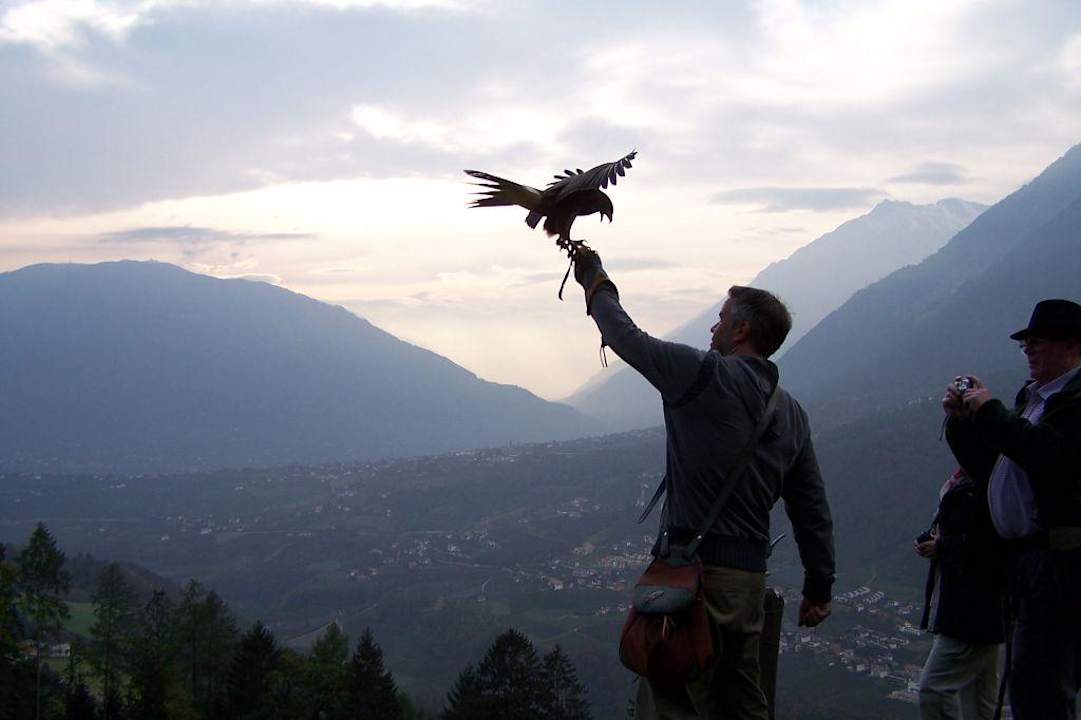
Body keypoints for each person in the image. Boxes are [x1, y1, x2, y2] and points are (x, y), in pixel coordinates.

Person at [573, 248, 835, 720]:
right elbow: (810, 507)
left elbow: (626, 339)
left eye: (720, 320)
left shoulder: (706, 376)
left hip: (693, 583)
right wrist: (820, 587)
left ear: (742, 331)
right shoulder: (792, 413)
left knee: (672, 700)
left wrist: (595, 282)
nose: (712, 329)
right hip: (747, 586)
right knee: (740, 703)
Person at [942, 298, 1081, 720]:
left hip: (1061, 563)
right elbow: (993, 465)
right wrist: (964, 421)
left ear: (1073, 345)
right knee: (1029, 679)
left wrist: (993, 413)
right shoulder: (1036, 399)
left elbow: (1052, 458)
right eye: (1027, 343)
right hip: (1027, 563)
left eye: (1039, 342)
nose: (1029, 350)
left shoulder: (1073, 404)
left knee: (1041, 683)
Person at [914, 468, 1005, 720]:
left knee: (933, 690)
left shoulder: (980, 484)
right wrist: (938, 542)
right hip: (986, 608)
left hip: (971, 610)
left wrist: (942, 546)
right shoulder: (987, 478)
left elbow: (989, 546)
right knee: (978, 699)